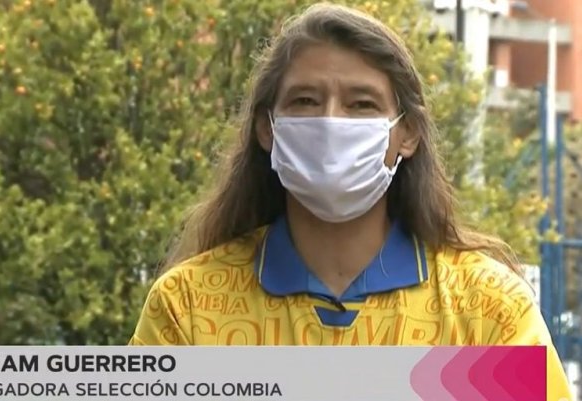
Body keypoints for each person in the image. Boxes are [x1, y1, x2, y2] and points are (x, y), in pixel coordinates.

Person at [129, 3, 571, 399]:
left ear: (407, 134)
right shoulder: (187, 304)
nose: (330, 124)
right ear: (268, 129)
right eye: (305, 100)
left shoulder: (488, 307)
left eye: (361, 105)